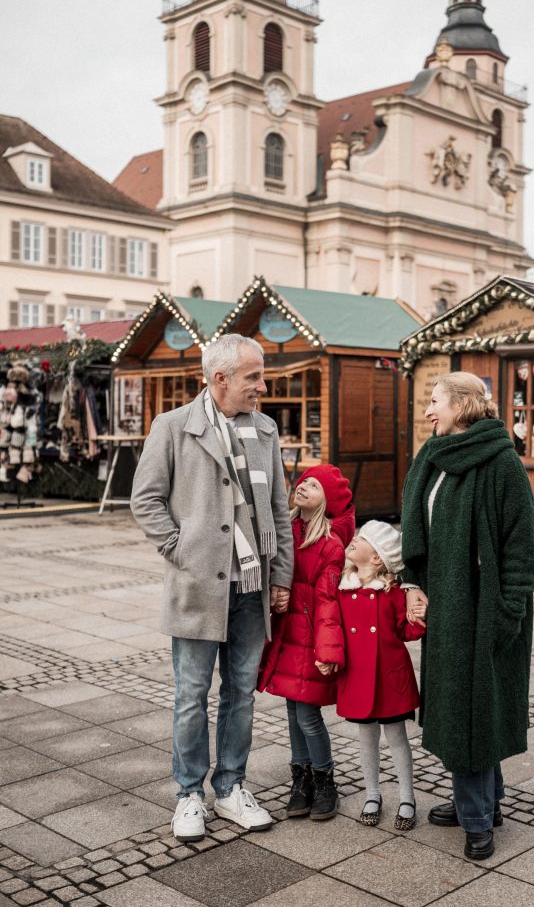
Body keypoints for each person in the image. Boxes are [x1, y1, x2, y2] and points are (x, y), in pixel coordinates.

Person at [130, 334, 294, 842]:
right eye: (253, 377)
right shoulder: (174, 427)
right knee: (191, 694)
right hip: (199, 584)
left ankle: (231, 787)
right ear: (220, 378)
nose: (262, 387)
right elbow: (145, 500)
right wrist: (181, 550)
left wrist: (280, 576)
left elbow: (280, 513)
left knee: (241, 693)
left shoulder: (265, 430)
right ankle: (188, 795)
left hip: (251, 585)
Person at [400, 371, 534, 861]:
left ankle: (477, 819)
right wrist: (412, 584)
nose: (428, 411)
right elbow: (417, 533)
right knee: (463, 706)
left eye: (434, 402)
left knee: (474, 712)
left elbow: (523, 543)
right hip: (448, 607)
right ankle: (483, 802)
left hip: (485, 612)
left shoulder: (501, 463)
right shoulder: (433, 459)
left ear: (462, 405)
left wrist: (508, 610)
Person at [259, 464, 354, 821]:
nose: (302, 487)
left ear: (327, 500)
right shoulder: (287, 532)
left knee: (307, 716)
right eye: (302, 482)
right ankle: (300, 780)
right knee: (291, 712)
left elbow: (329, 603)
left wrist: (328, 650)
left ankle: (324, 778)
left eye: (313, 485)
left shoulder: (329, 544)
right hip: (286, 636)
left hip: (311, 639)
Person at [337, 522, 426, 831]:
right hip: (359, 676)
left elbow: (405, 629)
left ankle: (407, 797)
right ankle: (372, 794)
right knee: (366, 739)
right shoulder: (343, 588)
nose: (352, 540)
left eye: (360, 539)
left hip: (389, 677)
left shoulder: (391, 592)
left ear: (377, 558)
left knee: (397, 737)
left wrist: (418, 620)